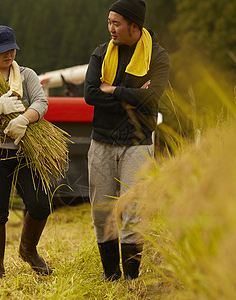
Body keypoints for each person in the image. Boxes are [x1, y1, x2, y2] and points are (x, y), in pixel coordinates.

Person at [84, 0, 170, 281]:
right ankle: (111, 276)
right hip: (102, 142)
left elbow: (153, 98)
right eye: (109, 22)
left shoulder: (157, 57)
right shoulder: (101, 52)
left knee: (133, 211)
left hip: (138, 142)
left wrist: (114, 91)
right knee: (102, 212)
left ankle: (132, 279)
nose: (110, 28)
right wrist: (132, 98)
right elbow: (90, 95)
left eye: (116, 23)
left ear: (135, 26)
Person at [0, 25, 52, 279]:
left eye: (12, 49)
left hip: (23, 151)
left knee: (41, 203)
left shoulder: (27, 75)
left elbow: (41, 102)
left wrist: (24, 119)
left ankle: (28, 250)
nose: (9, 55)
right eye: (2, 51)